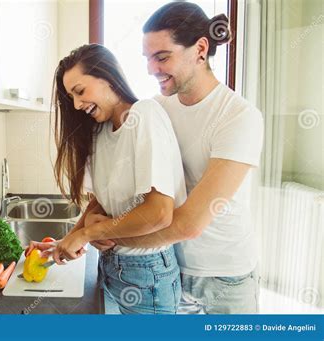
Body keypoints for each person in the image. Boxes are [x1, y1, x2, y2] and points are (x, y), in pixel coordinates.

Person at [91, 2, 264, 314]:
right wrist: (90, 220)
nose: (150, 69)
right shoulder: (156, 109)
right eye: (147, 59)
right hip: (170, 269)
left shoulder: (238, 117)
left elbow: (189, 225)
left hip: (224, 281)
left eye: (162, 57)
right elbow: (124, 181)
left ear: (200, 49)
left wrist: (108, 235)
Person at [27, 44, 187, 314]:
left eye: (80, 91)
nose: (76, 105)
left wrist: (90, 232)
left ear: (107, 76)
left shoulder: (145, 114)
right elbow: (101, 202)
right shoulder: (100, 133)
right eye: (71, 97)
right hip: (112, 266)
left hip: (148, 274)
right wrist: (67, 241)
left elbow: (159, 213)